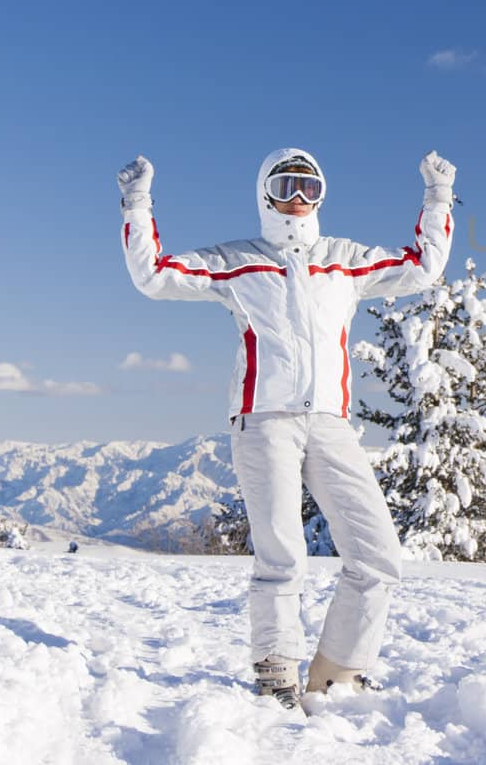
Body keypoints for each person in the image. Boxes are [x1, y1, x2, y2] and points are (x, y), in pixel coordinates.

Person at [116, 146, 456, 708]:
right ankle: (276, 668)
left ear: (322, 196)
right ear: (264, 196)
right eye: (285, 188)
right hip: (264, 419)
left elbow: (423, 267)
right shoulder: (238, 260)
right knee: (282, 555)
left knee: (377, 554)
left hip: (329, 422)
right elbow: (154, 276)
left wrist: (437, 196)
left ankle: (338, 671)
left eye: (309, 188)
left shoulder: (343, 259)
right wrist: (137, 203)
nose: (297, 200)